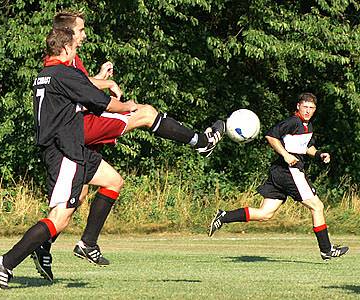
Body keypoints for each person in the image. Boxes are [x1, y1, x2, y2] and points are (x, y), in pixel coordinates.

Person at [28, 11, 226, 282]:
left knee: (95, 188)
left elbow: (82, 86)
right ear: (69, 34)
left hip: (73, 132)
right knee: (145, 113)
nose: (85, 34)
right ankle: (201, 142)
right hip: (80, 126)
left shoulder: (66, 57)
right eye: (82, 29)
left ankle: (54, 245)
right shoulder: (67, 57)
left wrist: (101, 77)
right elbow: (82, 91)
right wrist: (110, 89)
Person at [0, 27, 139, 290]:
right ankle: (7, 262)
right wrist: (128, 107)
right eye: (75, 48)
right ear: (67, 49)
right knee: (60, 218)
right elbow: (101, 102)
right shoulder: (64, 73)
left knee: (113, 181)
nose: (76, 52)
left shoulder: (44, 75)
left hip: (73, 150)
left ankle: (87, 243)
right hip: (66, 153)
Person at [208, 93, 349, 261]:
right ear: (298, 106)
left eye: (311, 108)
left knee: (265, 214)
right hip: (290, 171)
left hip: (280, 172)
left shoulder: (307, 125)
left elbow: (306, 146)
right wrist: (285, 155)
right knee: (317, 206)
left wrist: (319, 154)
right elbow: (271, 135)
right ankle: (326, 250)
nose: (308, 111)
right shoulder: (292, 122)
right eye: (305, 107)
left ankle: (224, 216)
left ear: (315, 110)